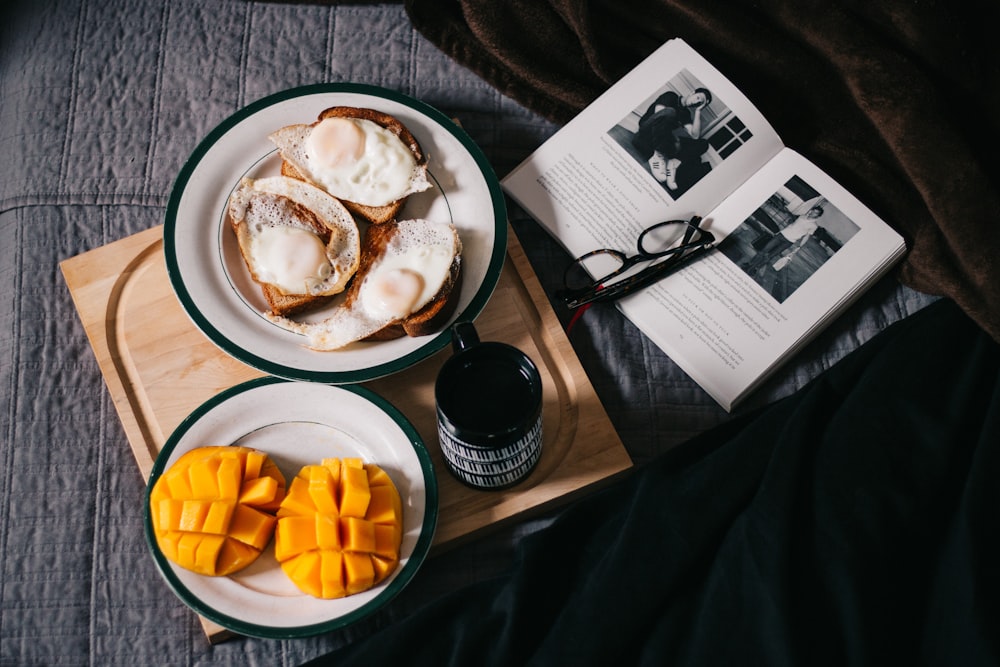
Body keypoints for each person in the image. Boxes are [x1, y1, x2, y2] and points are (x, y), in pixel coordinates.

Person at [744, 198, 826, 274]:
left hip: (789, 242)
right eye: (813, 211)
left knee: (770, 256)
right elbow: (792, 225)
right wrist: (780, 232)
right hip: (781, 235)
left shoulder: (814, 226)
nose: (812, 213)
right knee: (763, 250)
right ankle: (749, 264)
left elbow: (807, 236)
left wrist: (799, 246)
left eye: (815, 213)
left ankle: (755, 269)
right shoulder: (802, 217)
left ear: (818, 215)